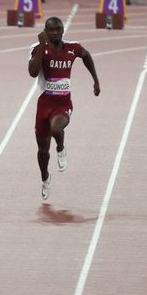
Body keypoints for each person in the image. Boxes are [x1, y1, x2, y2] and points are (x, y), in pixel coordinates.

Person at [28, 17, 100, 200]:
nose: (55, 33)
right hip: (44, 104)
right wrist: (42, 46)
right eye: (51, 30)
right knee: (43, 151)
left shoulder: (72, 47)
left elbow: (87, 56)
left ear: (63, 30)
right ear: (45, 31)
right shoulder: (37, 49)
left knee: (56, 128)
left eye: (58, 29)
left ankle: (60, 147)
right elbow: (33, 72)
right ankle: (45, 178)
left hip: (63, 103)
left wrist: (95, 81)